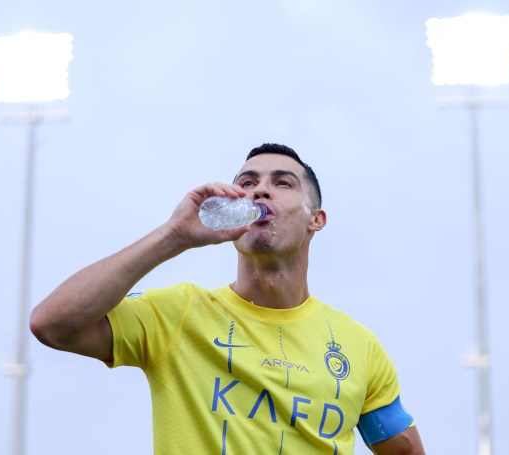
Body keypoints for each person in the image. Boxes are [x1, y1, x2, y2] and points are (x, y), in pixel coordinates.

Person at [30, 143, 425, 454]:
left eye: (283, 183)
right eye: (248, 182)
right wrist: (174, 235)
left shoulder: (358, 346)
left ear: (315, 219)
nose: (260, 189)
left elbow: (404, 449)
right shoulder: (178, 312)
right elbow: (53, 324)